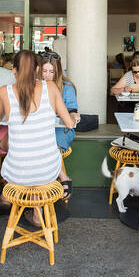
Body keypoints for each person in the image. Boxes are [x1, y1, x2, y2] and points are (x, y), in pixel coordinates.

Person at [0, 50, 75, 226]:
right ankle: (37, 214)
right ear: (38, 69)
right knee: (39, 161)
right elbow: (69, 124)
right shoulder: (51, 87)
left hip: (16, 173)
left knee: (15, 153)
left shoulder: (3, 92)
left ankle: (7, 200)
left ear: (13, 71)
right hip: (47, 171)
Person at [40, 52, 80, 200]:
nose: (48, 75)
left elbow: (72, 112)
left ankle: (47, 183)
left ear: (58, 71)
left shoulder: (67, 86)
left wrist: (74, 115)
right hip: (42, 129)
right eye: (44, 71)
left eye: (51, 72)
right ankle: (63, 177)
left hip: (61, 130)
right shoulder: (35, 85)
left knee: (48, 145)